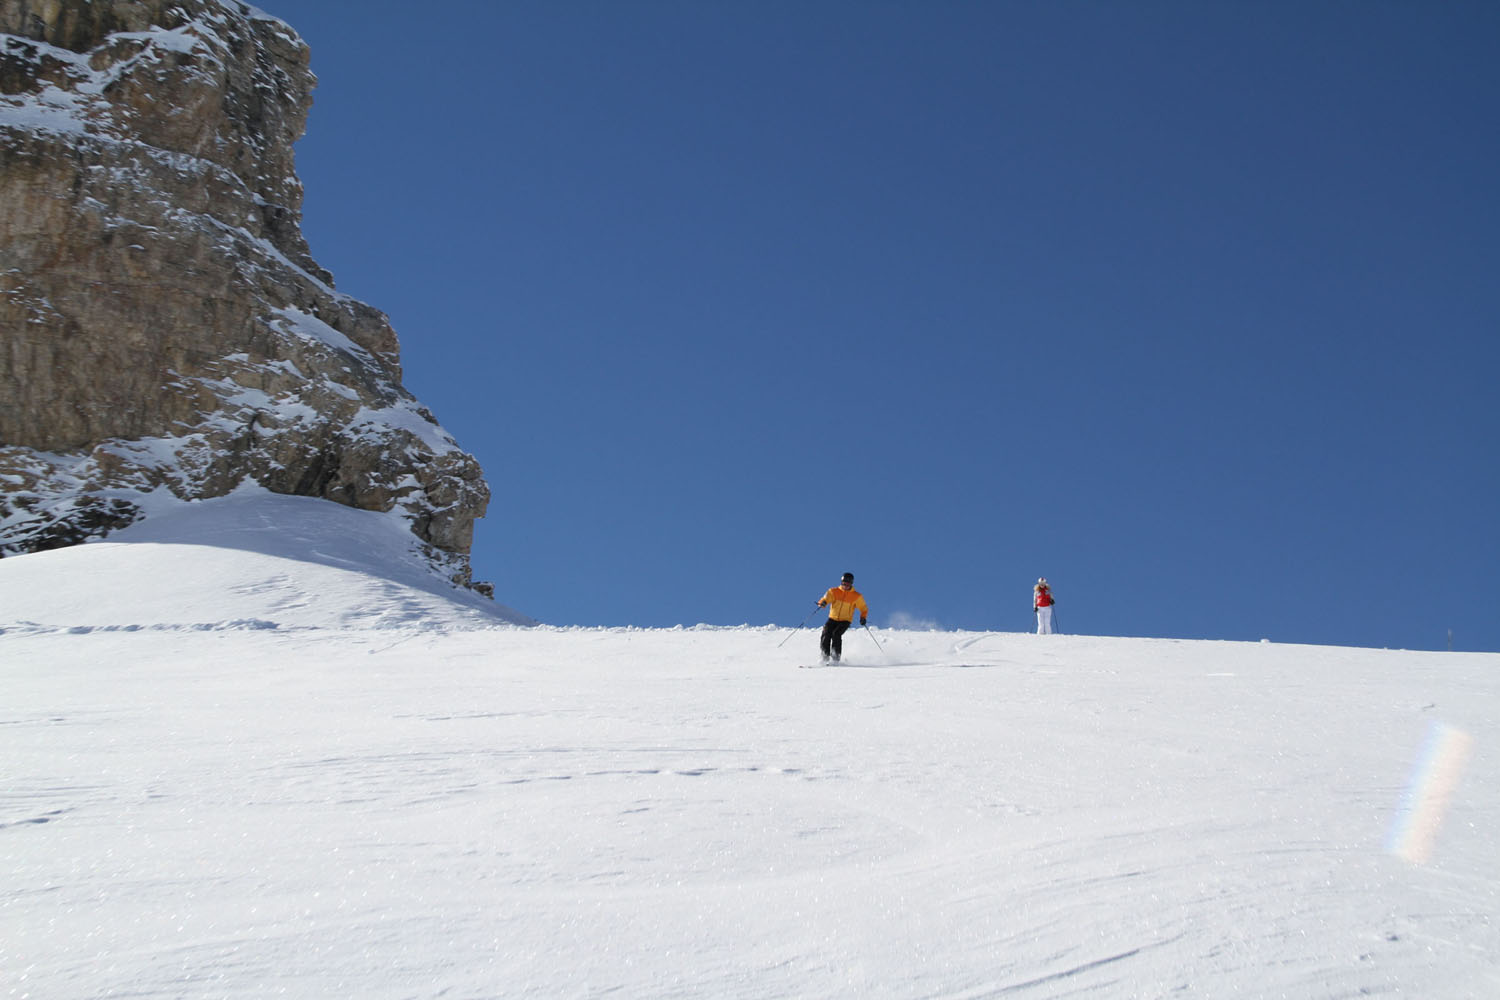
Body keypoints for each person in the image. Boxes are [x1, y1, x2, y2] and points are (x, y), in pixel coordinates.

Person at [817, 572, 869, 663]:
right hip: (832, 618)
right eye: (844, 583)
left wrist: (863, 617)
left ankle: (835, 658)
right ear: (841, 582)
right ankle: (824, 657)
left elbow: (863, 608)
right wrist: (822, 603)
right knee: (826, 633)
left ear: (851, 584)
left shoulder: (856, 596)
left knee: (836, 634)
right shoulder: (833, 591)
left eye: (848, 584)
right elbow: (825, 599)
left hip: (845, 621)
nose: (845, 586)